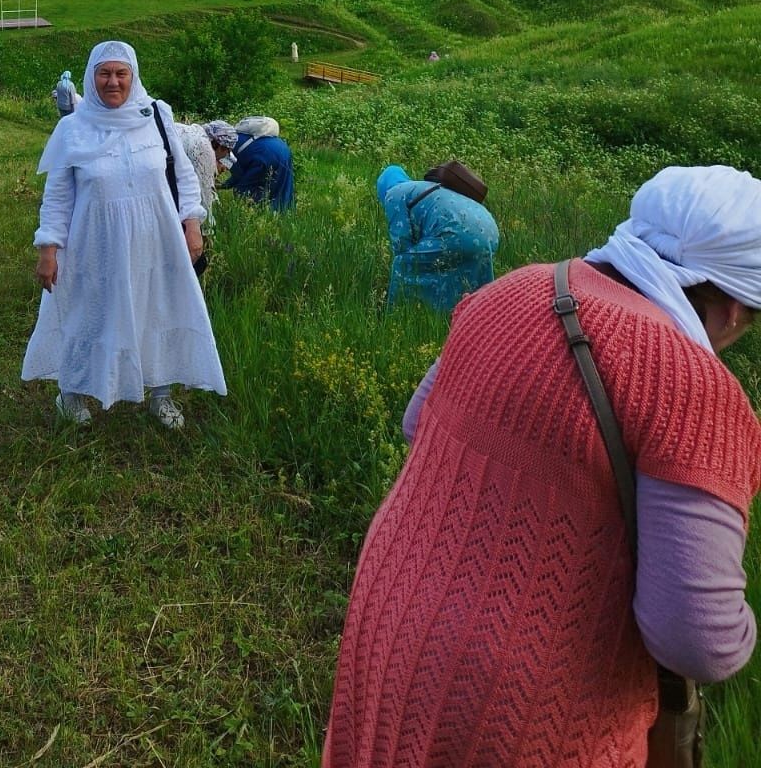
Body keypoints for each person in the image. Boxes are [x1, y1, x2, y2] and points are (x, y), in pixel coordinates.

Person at [323, 165, 761, 768]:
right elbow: (697, 640)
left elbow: (416, 421)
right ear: (735, 306)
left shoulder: (515, 289)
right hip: (523, 707)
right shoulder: (694, 387)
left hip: (392, 617)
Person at [22, 39, 227, 430]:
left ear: (133, 76)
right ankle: (73, 393)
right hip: (94, 245)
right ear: (91, 76)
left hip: (157, 242)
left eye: (121, 73)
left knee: (161, 309)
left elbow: (183, 175)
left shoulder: (157, 116)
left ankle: (161, 395)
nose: (112, 82)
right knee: (88, 313)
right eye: (104, 74)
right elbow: (58, 194)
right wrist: (48, 248)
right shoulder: (73, 129)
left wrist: (193, 224)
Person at [375, 163, 499, 311]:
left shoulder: (393, 193)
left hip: (456, 231)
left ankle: (400, 313)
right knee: (469, 282)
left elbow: (402, 243)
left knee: (405, 264)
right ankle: (471, 320)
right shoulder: (423, 188)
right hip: (490, 229)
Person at [225, 116, 295, 211]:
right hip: (283, 149)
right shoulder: (238, 137)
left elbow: (238, 174)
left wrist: (225, 185)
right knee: (281, 187)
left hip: (264, 155)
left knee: (242, 191)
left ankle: (249, 217)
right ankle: (284, 214)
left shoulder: (224, 146)